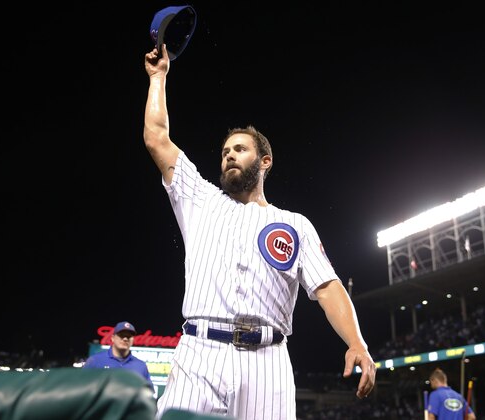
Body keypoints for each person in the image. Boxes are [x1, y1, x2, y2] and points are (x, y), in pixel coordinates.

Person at [143, 44, 376, 419]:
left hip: (267, 363)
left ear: (265, 162)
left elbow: (328, 287)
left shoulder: (295, 225)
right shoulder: (201, 200)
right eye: (224, 151)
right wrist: (158, 78)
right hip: (198, 355)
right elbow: (157, 137)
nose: (229, 155)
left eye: (240, 149)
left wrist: (356, 343)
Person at [83, 321, 153, 388]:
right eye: (122, 335)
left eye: (129, 336)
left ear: (133, 340)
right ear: (113, 338)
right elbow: (82, 387)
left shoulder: (140, 365)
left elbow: (148, 393)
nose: (125, 339)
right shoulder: (95, 361)